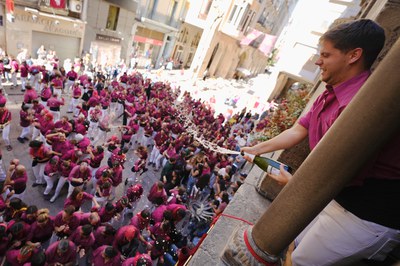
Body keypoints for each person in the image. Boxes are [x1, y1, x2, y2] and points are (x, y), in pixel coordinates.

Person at [241, 19, 400, 265]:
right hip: (332, 198)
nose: (318, 61)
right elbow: (299, 129)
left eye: (326, 55)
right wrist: (257, 149)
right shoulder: (332, 89)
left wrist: (293, 183)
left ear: (354, 55)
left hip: (364, 215)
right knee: (293, 246)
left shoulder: (359, 107)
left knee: (301, 261)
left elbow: (345, 177)